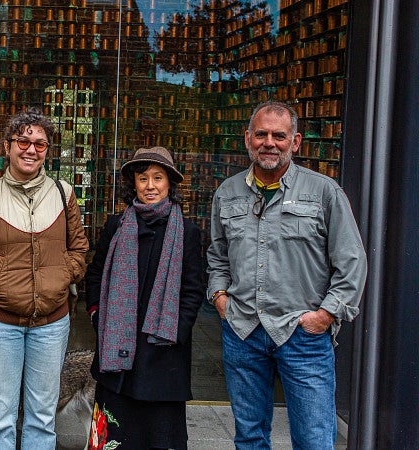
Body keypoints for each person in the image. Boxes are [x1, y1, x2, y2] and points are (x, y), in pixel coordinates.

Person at [206, 100, 368, 449]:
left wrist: (325, 315)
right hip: (243, 330)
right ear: (247, 138)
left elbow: (352, 261)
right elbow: (217, 256)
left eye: (279, 136)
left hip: (302, 334)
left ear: (295, 142)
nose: (269, 143)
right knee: (249, 437)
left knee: (313, 439)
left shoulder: (324, 192)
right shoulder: (227, 193)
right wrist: (220, 297)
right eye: (261, 134)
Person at [0, 107, 89, 449]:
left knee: (42, 418)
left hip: (51, 323)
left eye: (40, 144)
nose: (31, 149)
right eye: (23, 141)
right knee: (0, 417)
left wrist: (61, 276)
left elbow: (80, 250)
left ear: (48, 151)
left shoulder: (63, 194)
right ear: (7, 146)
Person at [84, 147, 204, 450]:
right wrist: (98, 315)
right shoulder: (116, 226)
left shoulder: (187, 232)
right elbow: (95, 274)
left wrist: (175, 331)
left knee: (160, 438)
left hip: (163, 353)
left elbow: (193, 289)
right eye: (142, 178)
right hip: (118, 351)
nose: (150, 186)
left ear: (169, 184)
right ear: (133, 184)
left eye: (157, 178)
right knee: (117, 436)